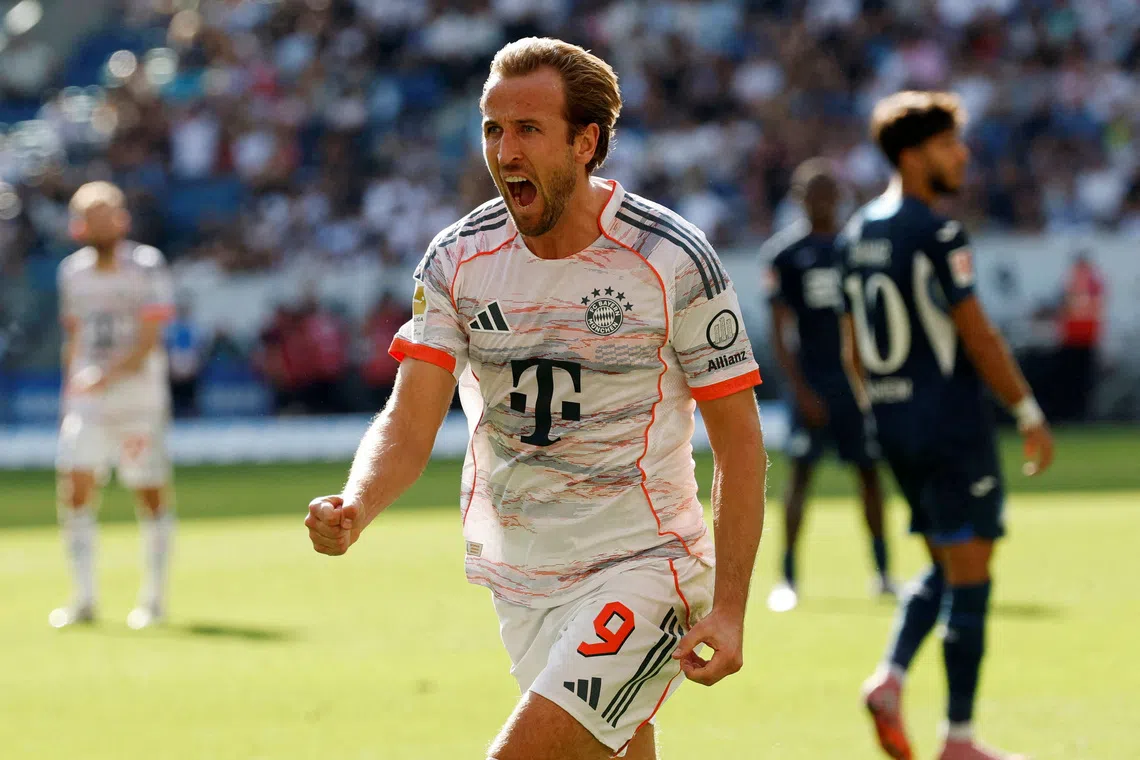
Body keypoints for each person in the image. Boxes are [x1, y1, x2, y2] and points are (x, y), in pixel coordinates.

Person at [304, 38, 766, 760]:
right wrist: (358, 502)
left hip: (645, 564)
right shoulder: (457, 260)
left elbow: (739, 442)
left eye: (527, 129)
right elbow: (409, 415)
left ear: (586, 142)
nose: (504, 149)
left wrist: (732, 607)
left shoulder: (671, 258)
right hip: (521, 573)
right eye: (492, 127)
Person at [840, 92, 1054, 760]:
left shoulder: (856, 233)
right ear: (912, 154)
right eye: (948, 144)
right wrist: (1026, 409)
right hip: (953, 426)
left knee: (942, 558)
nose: (962, 155)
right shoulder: (935, 231)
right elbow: (979, 333)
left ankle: (893, 678)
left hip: (896, 425)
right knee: (972, 571)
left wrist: (883, 414)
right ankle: (958, 738)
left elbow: (851, 348)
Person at [762, 158, 894, 612]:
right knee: (799, 476)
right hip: (813, 380)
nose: (822, 203)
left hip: (855, 382)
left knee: (869, 473)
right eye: (812, 195)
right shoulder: (785, 254)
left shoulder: (856, 248)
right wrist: (799, 390)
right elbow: (781, 333)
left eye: (828, 194)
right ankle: (788, 576)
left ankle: (883, 572)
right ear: (800, 199)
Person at [52, 181, 177, 631]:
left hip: (138, 398)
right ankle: (83, 598)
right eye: (92, 214)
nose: (103, 222)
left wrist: (108, 374)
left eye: (110, 213)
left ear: (123, 219)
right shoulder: (72, 273)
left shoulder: (147, 266)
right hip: (87, 399)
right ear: (78, 224)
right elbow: (75, 337)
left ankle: (154, 598)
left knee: (148, 490)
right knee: (75, 486)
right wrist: (71, 391)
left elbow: (149, 339)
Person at [1053, 252, 1104, 422]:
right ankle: (1078, 412)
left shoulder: (1078, 281)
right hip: (1078, 336)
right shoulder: (1080, 281)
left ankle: (1077, 412)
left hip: (1080, 336)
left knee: (1078, 378)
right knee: (1078, 378)